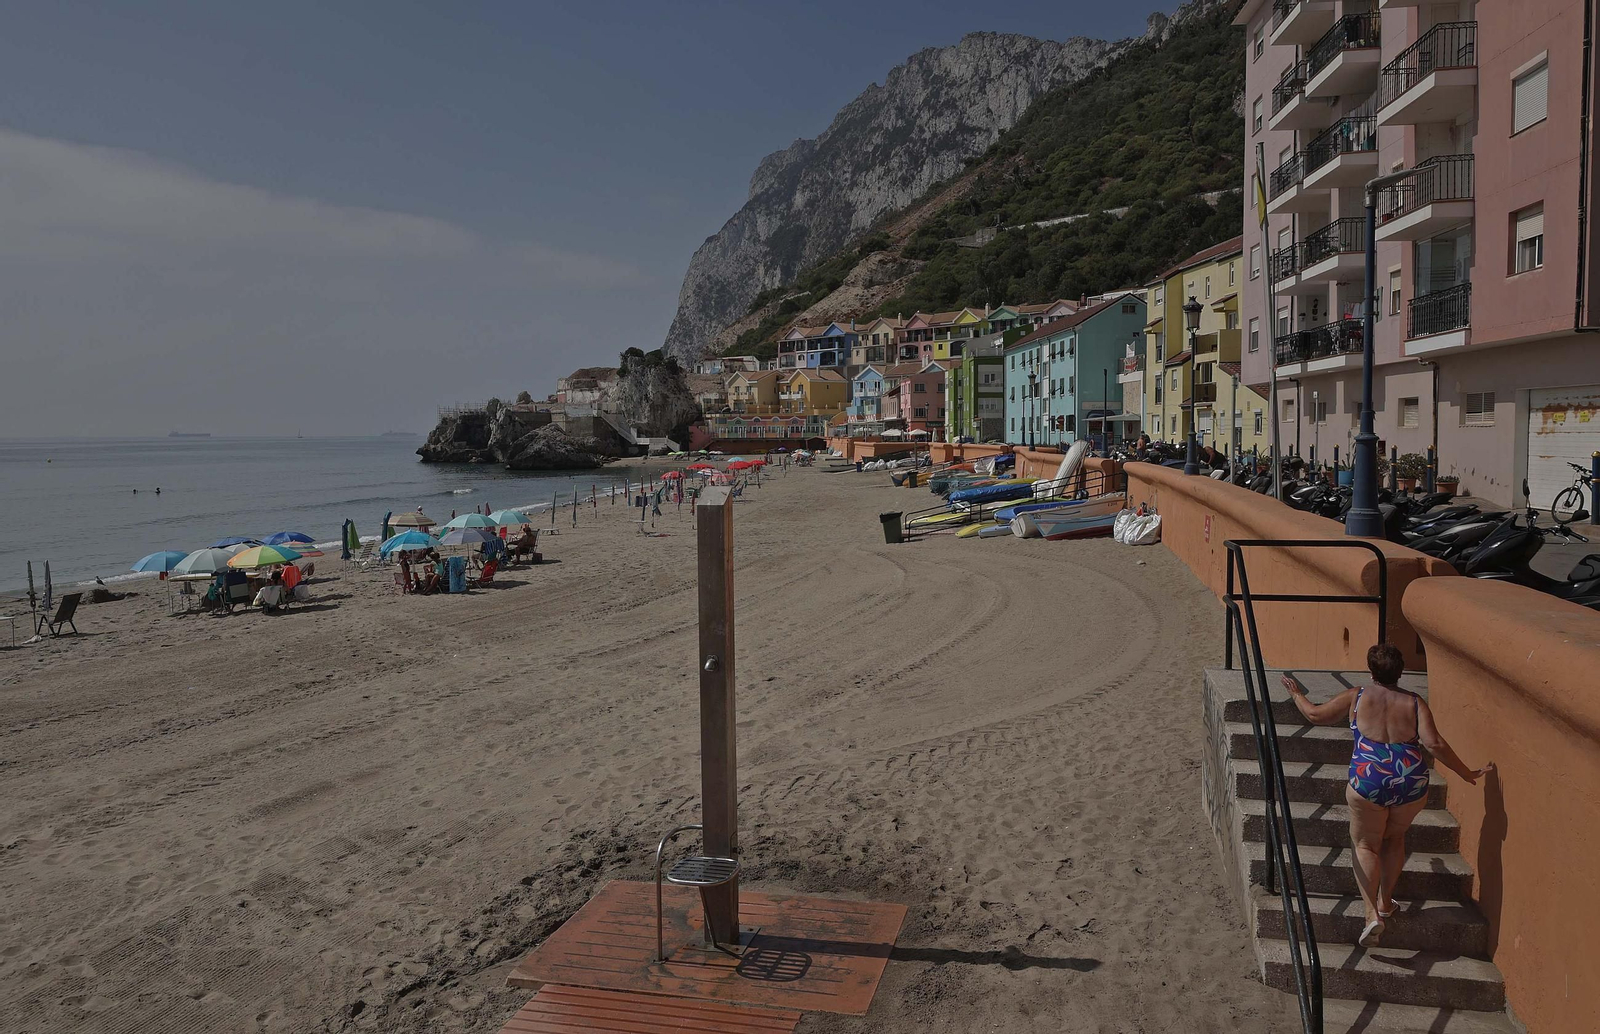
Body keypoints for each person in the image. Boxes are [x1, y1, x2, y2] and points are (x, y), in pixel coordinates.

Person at [1282, 643, 1492, 947]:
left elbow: (1315, 715)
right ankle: (1386, 902)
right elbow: (1433, 744)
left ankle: (1372, 916)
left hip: (1369, 780)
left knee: (1366, 845)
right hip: (1410, 781)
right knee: (1394, 839)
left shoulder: (1357, 696)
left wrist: (1296, 694)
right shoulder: (1414, 701)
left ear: (1371, 671)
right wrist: (1465, 772)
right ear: (1401, 671)